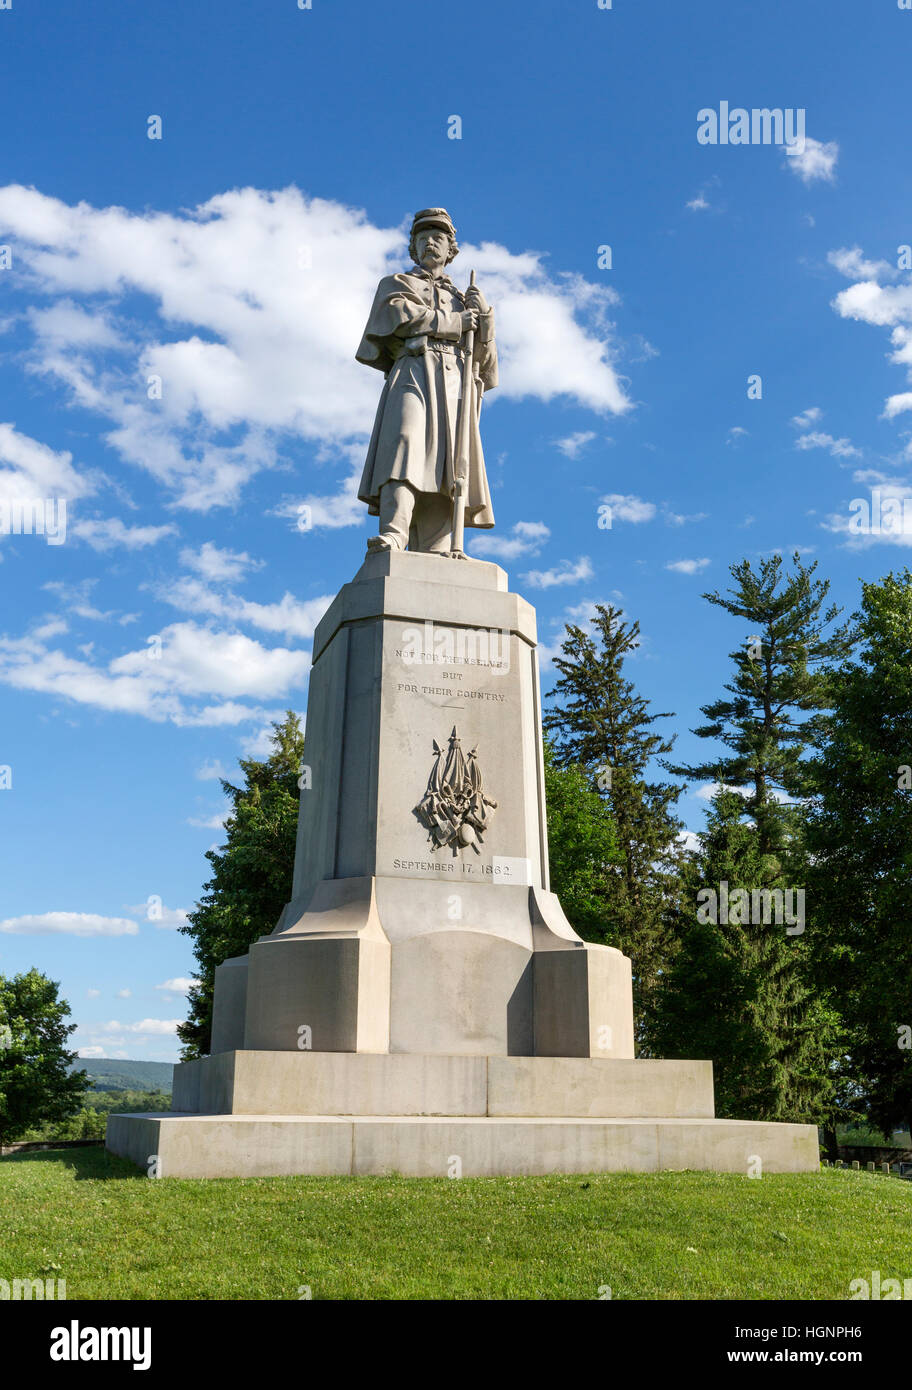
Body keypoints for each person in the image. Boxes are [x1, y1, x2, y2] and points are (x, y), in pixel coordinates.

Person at [356, 207, 497, 555]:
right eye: (423, 237)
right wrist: (455, 322)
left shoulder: (465, 300)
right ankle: (395, 532)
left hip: (455, 380)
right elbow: (398, 317)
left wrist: (486, 321)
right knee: (403, 443)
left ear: (451, 249)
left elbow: (487, 367)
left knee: (449, 463)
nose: (431, 242)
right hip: (414, 369)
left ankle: (438, 546)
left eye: (439, 237)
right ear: (413, 248)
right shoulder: (397, 284)